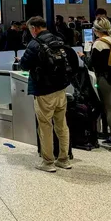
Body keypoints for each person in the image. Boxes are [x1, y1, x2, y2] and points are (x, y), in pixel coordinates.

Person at [18, 17, 72, 172]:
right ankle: (64, 159)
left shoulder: (35, 44)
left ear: (34, 28)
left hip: (44, 91)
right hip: (61, 88)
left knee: (45, 126)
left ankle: (48, 162)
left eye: (30, 30)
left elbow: (24, 65)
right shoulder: (58, 40)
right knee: (62, 125)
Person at [83, 18, 111, 153]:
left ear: (96, 30)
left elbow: (91, 64)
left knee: (109, 109)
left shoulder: (99, 44)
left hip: (104, 79)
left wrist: (83, 56)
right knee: (110, 106)